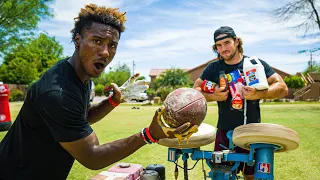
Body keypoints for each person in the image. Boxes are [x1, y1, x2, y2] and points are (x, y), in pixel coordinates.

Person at [0, 4, 194, 180]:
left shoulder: (81, 77)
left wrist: (113, 101)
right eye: (97, 40)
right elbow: (92, 157)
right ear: (78, 40)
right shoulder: (57, 92)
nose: (105, 52)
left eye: (112, 45)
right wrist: (149, 135)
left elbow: (82, 117)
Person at [193, 26, 288, 180]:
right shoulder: (214, 68)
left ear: (237, 41)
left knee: (250, 176)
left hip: (252, 132)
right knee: (221, 175)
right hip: (224, 132)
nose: (223, 49)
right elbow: (195, 90)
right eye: (219, 46)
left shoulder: (254, 64)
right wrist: (213, 96)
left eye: (227, 43)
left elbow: (282, 87)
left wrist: (259, 94)